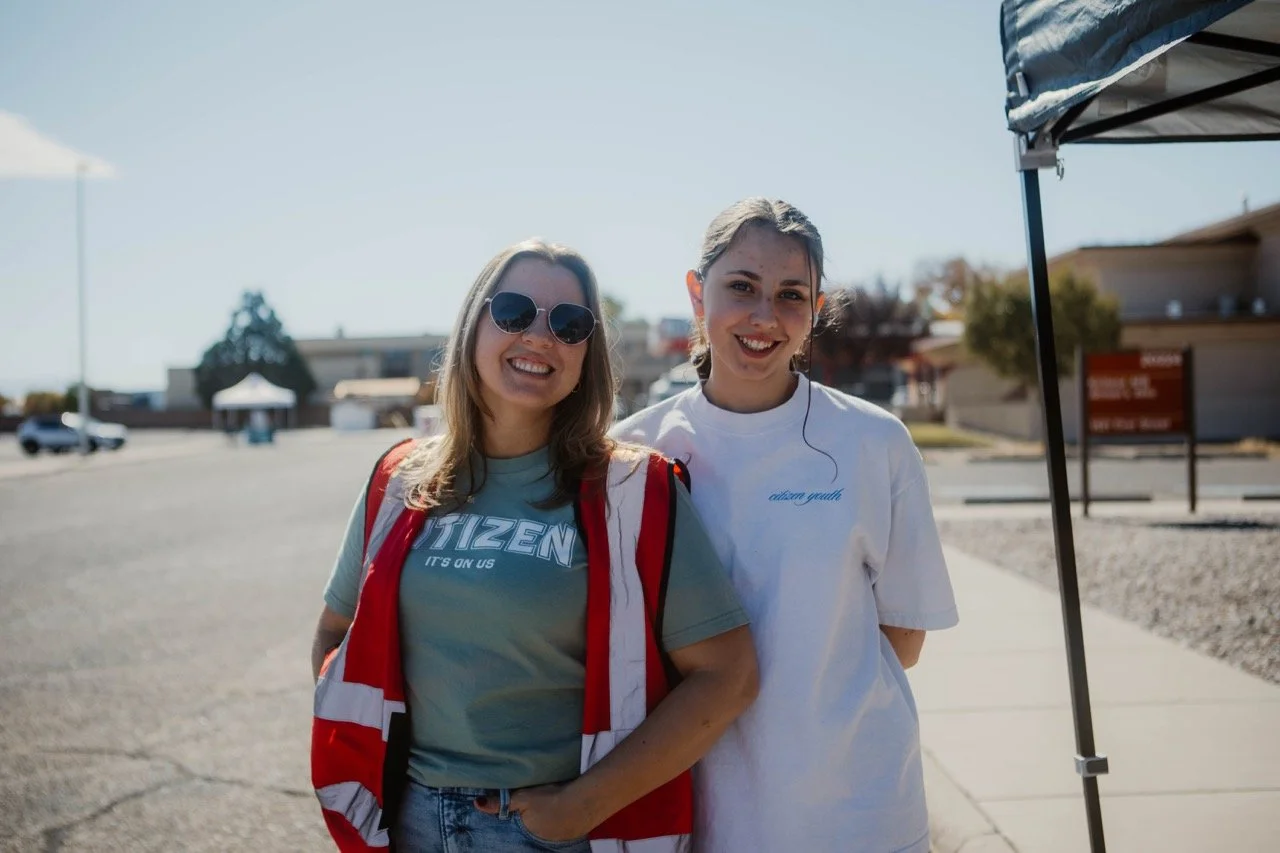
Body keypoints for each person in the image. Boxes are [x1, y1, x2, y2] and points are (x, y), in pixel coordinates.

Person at [311, 238, 758, 853]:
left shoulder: (634, 490)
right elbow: (337, 632)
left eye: (569, 324)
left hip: (551, 831)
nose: (540, 336)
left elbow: (727, 675)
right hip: (410, 820)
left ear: (586, 354)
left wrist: (579, 807)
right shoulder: (401, 480)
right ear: (474, 324)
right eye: (514, 311)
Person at [613, 199, 958, 853]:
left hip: (859, 810)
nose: (764, 316)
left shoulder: (872, 441)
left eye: (791, 295)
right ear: (697, 291)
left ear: (816, 308)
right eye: (741, 286)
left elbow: (903, 641)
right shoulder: (632, 454)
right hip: (699, 816)